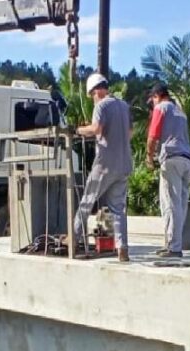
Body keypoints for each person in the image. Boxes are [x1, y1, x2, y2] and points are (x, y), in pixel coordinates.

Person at [74, 73, 133, 262]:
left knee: (86, 201)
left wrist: (78, 130)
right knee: (118, 208)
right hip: (124, 164)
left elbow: (96, 129)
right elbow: (130, 132)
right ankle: (122, 248)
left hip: (105, 163)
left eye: (92, 95)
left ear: (97, 90)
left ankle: (73, 239)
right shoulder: (123, 106)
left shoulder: (102, 105)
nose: (92, 99)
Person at [146, 83, 190, 258]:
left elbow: (152, 137)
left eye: (152, 100)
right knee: (180, 205)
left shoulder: (161, 108)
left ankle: (173, 248)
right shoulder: (180, 111)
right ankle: (175, 244)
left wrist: (149, 159)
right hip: (187, 160)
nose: (152, 104)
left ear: (157, 96)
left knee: (169, 203)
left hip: (172, 159)